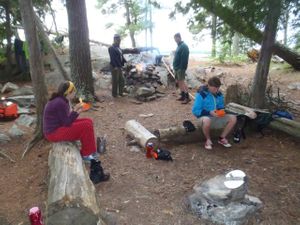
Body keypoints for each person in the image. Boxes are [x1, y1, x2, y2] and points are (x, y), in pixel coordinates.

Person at [43, 81, 109, 182]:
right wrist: (77, 111)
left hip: (58, 127)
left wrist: (76, 110)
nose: (75, 93)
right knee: (86, 126)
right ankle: (89, 156)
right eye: (73, 91)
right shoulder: (60, 102)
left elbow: (65, 119)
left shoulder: (62, 100)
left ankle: (87, 151)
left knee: (88, 121)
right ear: (68, 92)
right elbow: (66, 122)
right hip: (53, 133)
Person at [192, 77, 237, 150]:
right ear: (209, 86)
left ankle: (222, 138)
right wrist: (209, 112)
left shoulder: (219, 94)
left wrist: (221, 112)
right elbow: (195, 111)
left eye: (217, 88)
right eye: (214, 89)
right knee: (207, 120)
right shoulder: (201, 94)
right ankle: (208, 140)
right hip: (203, 118)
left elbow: (220, 107)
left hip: (215, 117)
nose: (216, 91)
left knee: (233, 118)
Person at [173, 33, 190, 104]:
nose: (176, 40)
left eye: (177, 38)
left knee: (182, 82)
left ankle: (187, 97)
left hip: (180, 68)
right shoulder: (179, 46)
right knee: (179, 82)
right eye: (175, 39)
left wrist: (181, 67)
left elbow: (184, 59)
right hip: (176, 68)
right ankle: (182, 96)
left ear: (180, 37)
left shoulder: (184, 46)